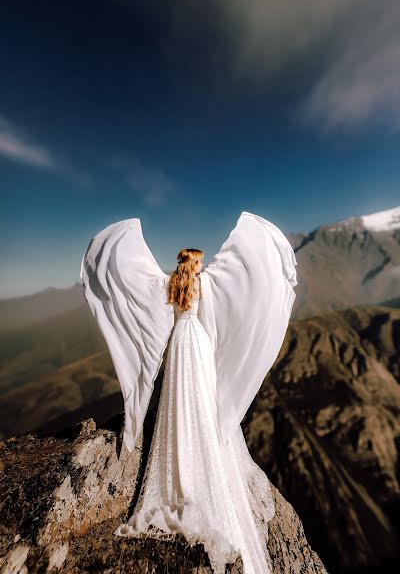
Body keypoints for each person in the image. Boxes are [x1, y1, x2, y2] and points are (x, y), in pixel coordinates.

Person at [80, 210, 298, 574]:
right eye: (200, 261)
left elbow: (142, 293)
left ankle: (179, 451)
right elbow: (238, 292)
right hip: (196, 344)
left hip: (178, 345)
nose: (202, 265)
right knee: (200, 398)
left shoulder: (169, 285)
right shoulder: (204, 284)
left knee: (177, 398)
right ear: (195, 263)